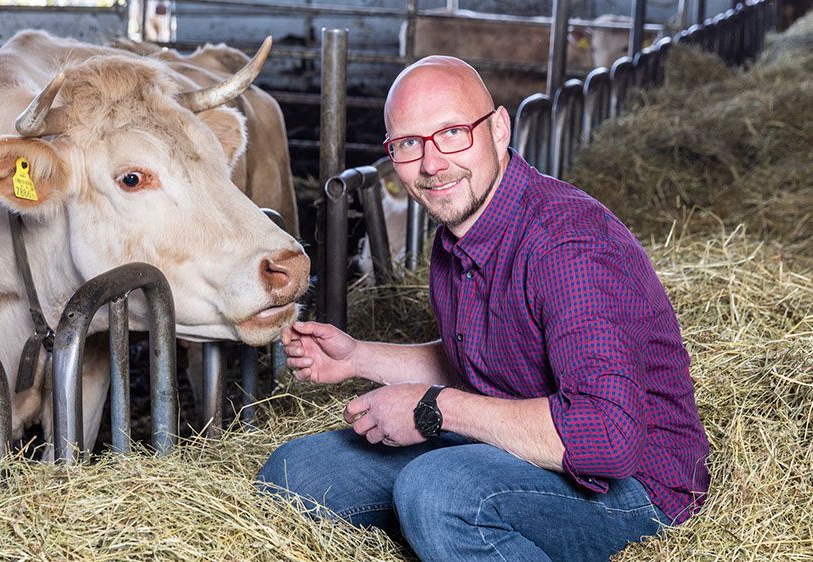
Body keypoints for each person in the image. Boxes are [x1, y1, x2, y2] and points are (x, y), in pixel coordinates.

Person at [257, 55, 710, 561]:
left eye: (452, 133)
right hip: (515, 446)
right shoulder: (457, 232)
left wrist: (431, 409)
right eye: (409, 144)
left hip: (637, 489)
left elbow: (609, 437)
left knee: (439, 492)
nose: (431, 165)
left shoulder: (568, 247)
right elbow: (481, 360)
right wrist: (358, 358)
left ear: (498, 128)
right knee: (295, 476)